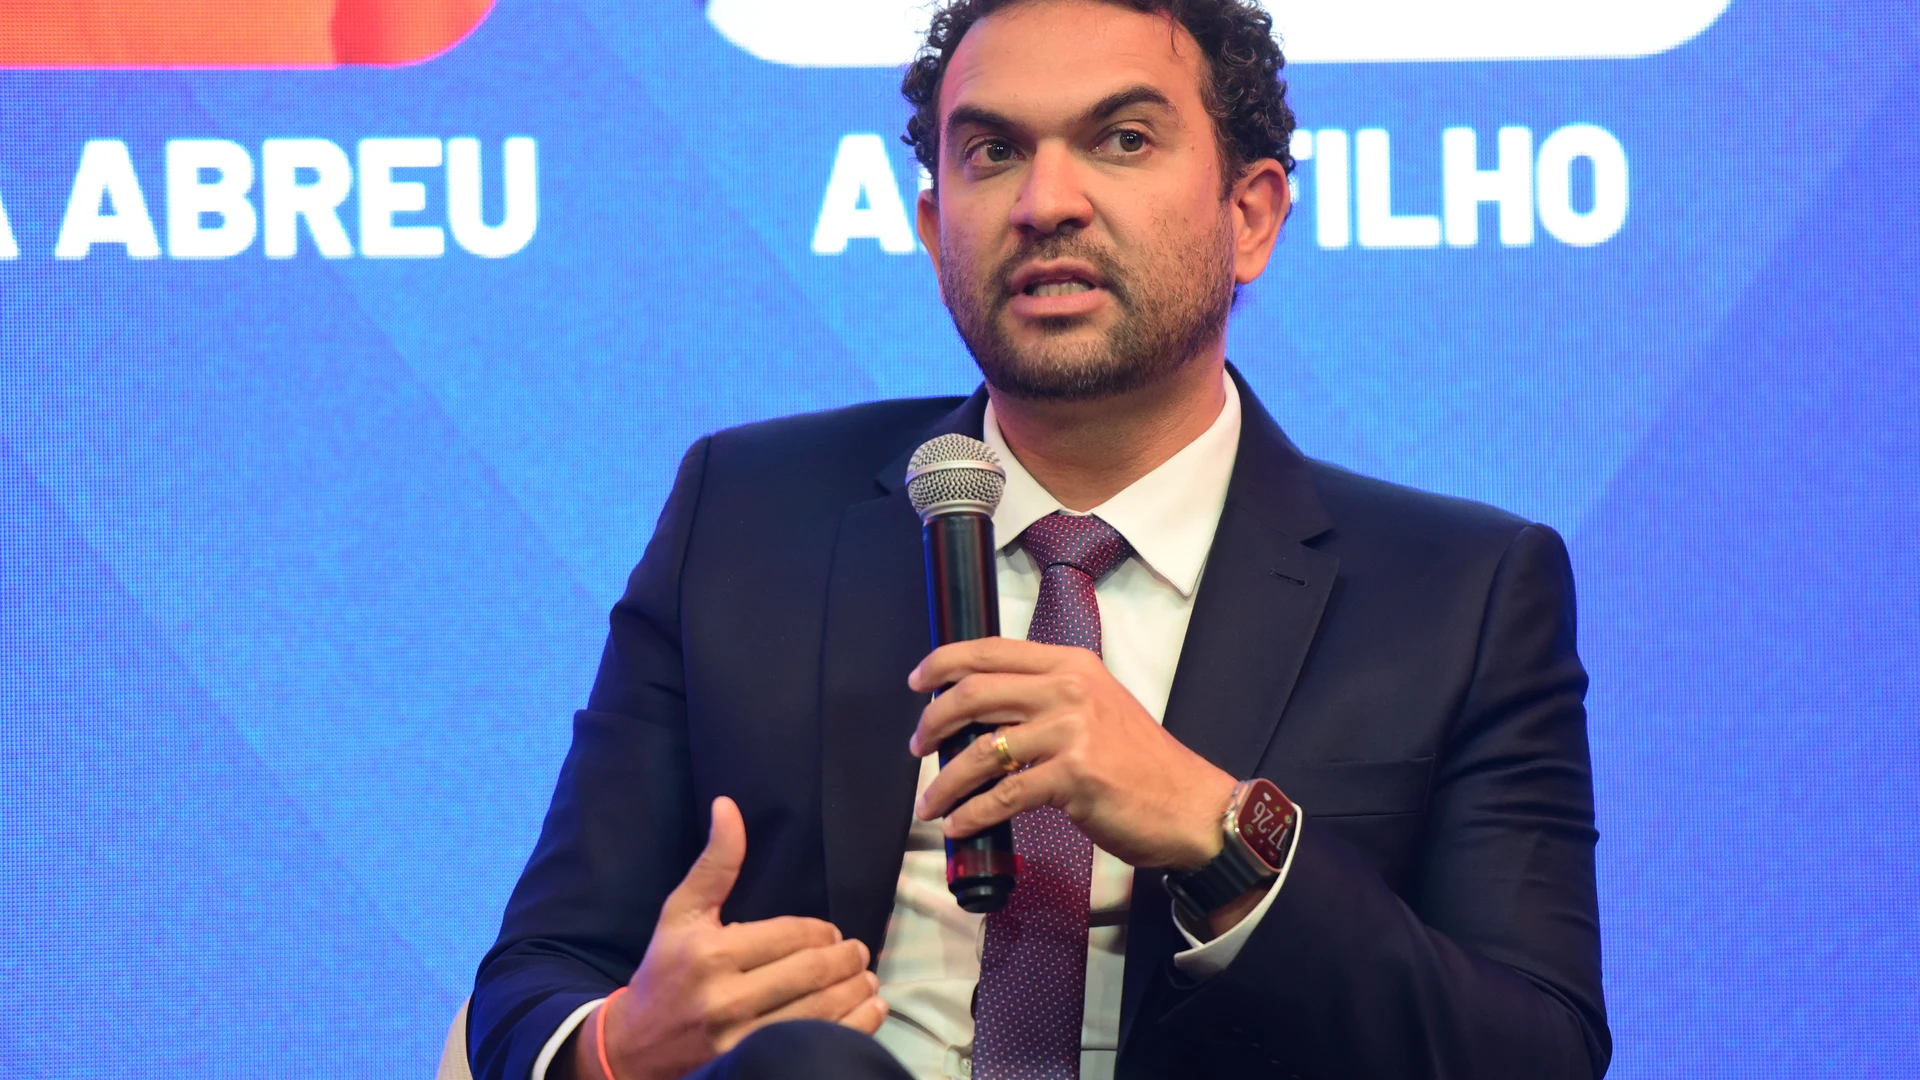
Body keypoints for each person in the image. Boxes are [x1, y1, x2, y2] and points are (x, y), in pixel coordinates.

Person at [466, 1, 1609, 1077]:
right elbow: (538, 972)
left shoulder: (1458, 596)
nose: (1046, 201)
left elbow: (1537, 1049)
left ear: (1251, 214)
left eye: (1121, 140)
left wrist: (1220, 832)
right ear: (932, 228)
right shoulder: (749, 516)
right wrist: (619, 1044)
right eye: (993, 152)